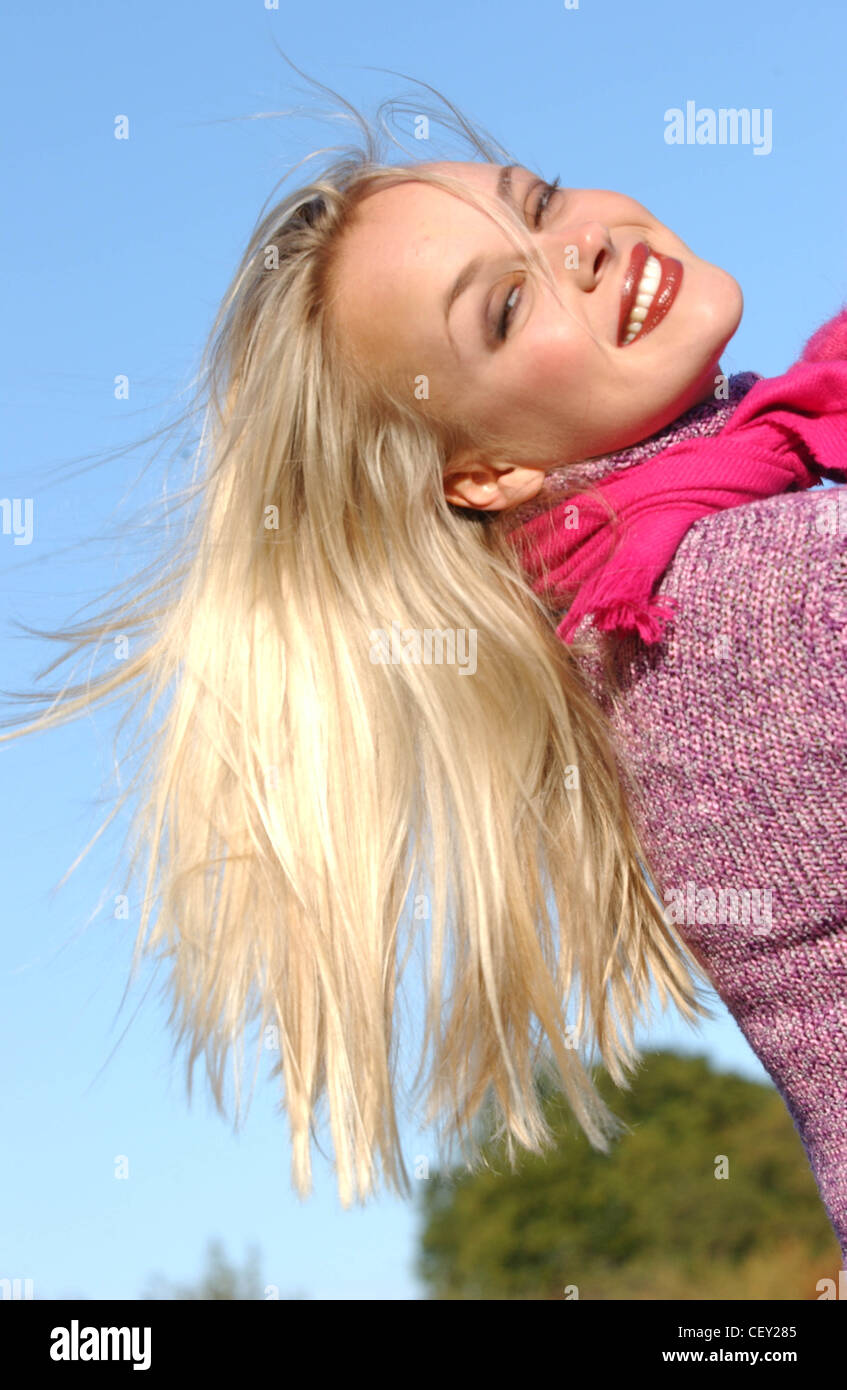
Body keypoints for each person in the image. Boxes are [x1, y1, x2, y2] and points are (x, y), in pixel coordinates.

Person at [3, 79, 844, 1263]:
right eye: (504, 307)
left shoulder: (677, 575)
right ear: (484, 474)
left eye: (540, 203)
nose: (582, 242)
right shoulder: (739, 601)